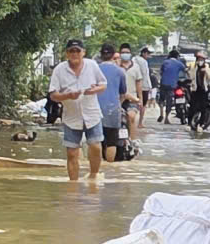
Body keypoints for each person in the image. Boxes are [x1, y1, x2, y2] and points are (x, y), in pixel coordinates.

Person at [47, 38, 109, 188]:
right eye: (71, 51)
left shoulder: (92, 65)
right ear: (66, 54)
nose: (74, 54)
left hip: (91, 113)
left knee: (95, 146)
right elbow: (53, 95)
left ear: (83, 53)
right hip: (71, 116)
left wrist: (94, 90)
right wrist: (67, 96)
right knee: (72, 152)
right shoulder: (60, 70)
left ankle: (93, 175)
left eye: (77, 51)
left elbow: (103, 84)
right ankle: (73, 185)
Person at [95, 44, 129, 162]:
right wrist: (118, 104)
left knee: (95, 141)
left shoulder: (94, 69)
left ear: (101, 55)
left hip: (95, 110)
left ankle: (96, 170)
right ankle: (110, 169)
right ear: (114, 55)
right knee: (111, 142)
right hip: (113, 110)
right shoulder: (120, 71)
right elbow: (123, 93)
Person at [117, 45, 147, 143]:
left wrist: (140, 99)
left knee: (131, 116)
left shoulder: (135, 67)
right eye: (123, 52)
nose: (125, 54)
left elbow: (139, 83)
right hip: (117, 98)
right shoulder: (115, 67)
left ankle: (132, 141)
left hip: (132, 98)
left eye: (127, 52)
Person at [158, 46, 186, 122]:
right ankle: (166, 118)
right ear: (177, 56)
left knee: (161, 99)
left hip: (163, 83)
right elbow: (186, 70)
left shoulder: (165, 62)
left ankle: (161, 114)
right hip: (172, 85)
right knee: (169, 101)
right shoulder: (179, 63)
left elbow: (161, 72)